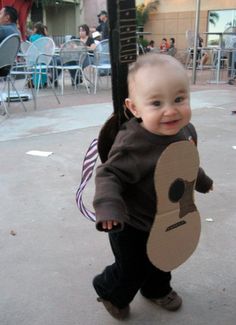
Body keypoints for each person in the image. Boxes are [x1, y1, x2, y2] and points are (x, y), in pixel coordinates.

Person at [92, 53, 213, 320]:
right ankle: (110, 290)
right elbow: (109, 174)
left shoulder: (185, 131)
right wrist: (109, 207)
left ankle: (157, 289)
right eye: (156, 103)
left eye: (179, 99)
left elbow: (185, 165)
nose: (171, 110)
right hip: (133, 222)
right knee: (132, 268)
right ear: (134, 108)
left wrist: (202, 181)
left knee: (165, 257)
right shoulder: (133, 144)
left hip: (168, 217)